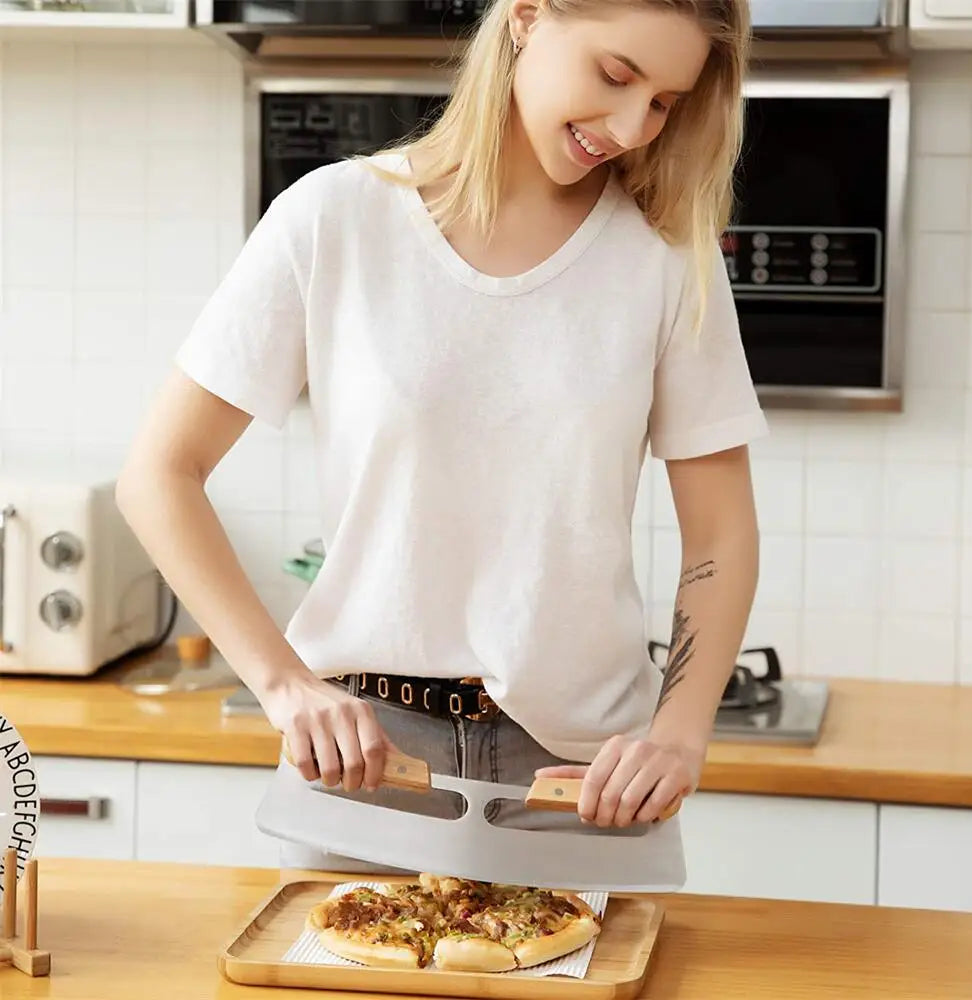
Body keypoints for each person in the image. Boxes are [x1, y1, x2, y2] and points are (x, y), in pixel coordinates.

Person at [116, 0, 767, 873]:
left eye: (661, 103)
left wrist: (680, 737)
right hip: (362, 767)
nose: (629, 126)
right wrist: (284, 685)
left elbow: (720, 534)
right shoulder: (334, 219)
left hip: (577, 783)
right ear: (529, 17)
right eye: (615, 75)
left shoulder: (664, 259)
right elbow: (159, 473)